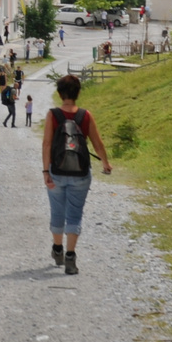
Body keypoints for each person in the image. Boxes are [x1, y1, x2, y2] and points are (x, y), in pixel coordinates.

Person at [40, 75, 111, 276]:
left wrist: (46, 171)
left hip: (57, 171)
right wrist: (105, 163)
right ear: (78, 92)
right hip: (81, 173)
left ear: (60, 93)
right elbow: (98, 143)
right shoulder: (85, 115)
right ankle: (71, 256)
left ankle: (57, 249)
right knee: (74, 213)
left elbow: (46, 144)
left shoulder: (53, 115)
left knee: (57, 211)